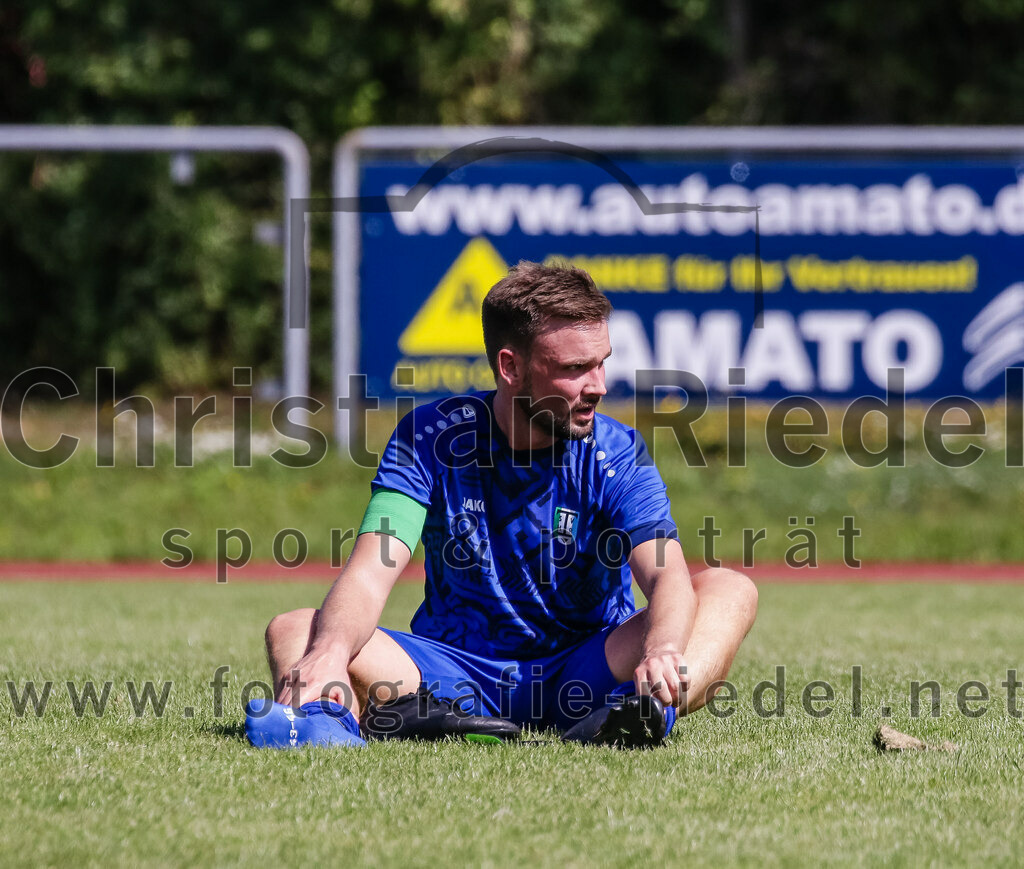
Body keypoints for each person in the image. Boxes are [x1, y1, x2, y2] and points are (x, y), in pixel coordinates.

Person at [245, 261, 758, 749]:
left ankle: (641, 712)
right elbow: (370, 571)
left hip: (589, 668)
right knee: (295, 629)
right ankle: (325, 723)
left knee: (727, 589)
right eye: (575, 368)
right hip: (452, 675)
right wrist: (330, 652)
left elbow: (665, 575)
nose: (598, 387)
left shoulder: (617, 454)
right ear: (511, 367)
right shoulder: (428, 438)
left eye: (602, 363)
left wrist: (663, 648)